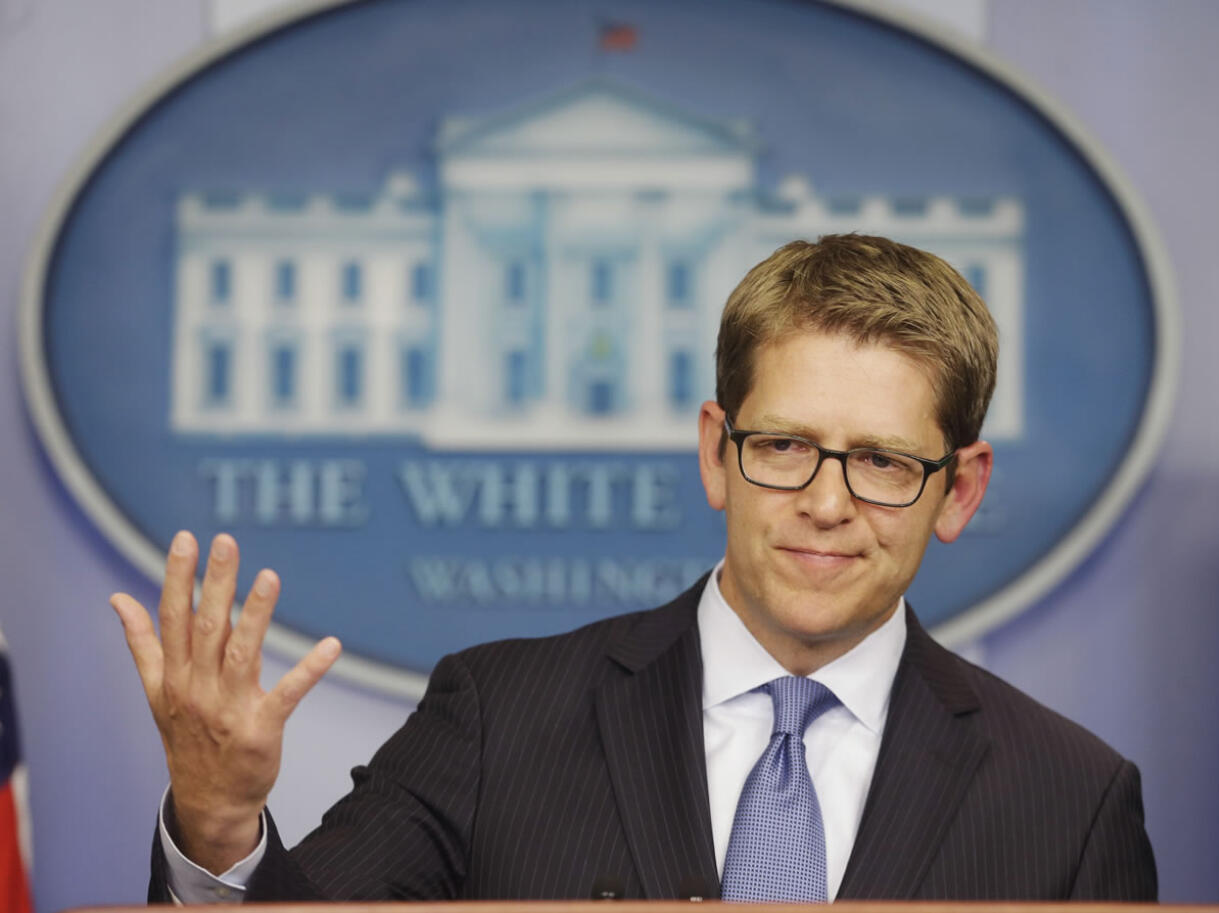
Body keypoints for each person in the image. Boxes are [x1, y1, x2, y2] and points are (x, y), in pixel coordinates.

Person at [112, 234, 1157, 902]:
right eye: (784, 445)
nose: (826, 502)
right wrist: (217, 822)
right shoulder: (497, 715)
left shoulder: (1067, 797)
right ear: (715, 450)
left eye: (881, 461)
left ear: (958, 489)